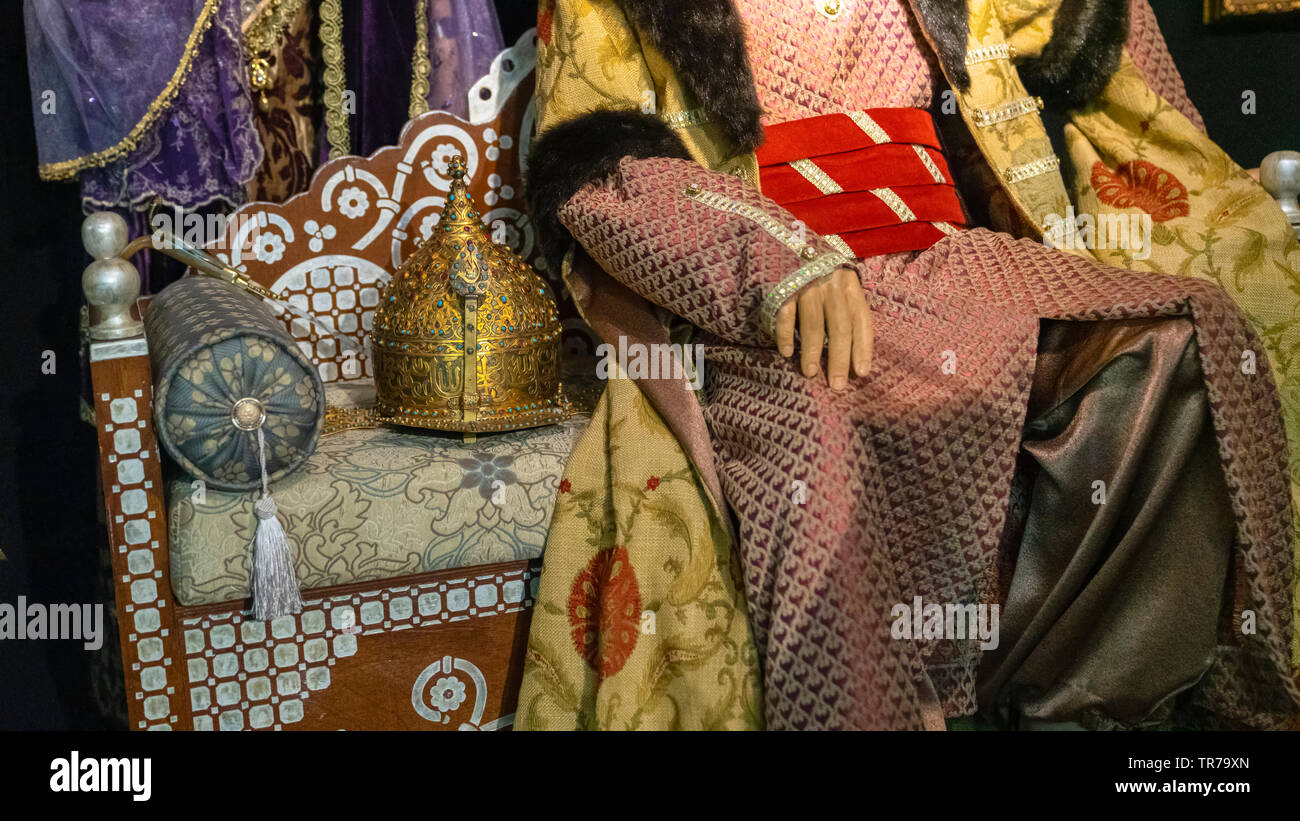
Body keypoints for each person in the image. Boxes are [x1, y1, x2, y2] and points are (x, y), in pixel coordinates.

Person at [514, 0, 1298, 730]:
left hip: (959, 265)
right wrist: (777, 263)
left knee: (1186, 339)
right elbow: (596, 172)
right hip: (778, 292)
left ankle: (1085, 705)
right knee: (821, 449)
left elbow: (1081, 23)